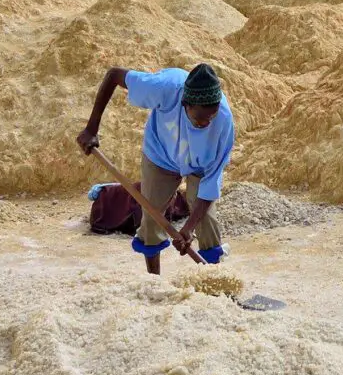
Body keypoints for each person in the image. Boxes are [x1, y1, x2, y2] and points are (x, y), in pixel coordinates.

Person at [76, 64, 235, 274]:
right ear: (184, 104)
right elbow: (114, 75)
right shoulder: (164, 87)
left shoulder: (223, 122)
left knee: (206, 220)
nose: (206, 123)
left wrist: (187, 230)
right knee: (151, 217)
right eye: (199, 119)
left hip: (199, 166)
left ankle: (214, 282)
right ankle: (154, 279)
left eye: (211, 117)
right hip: (161, 155)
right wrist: (91, 129)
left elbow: (210, 185)